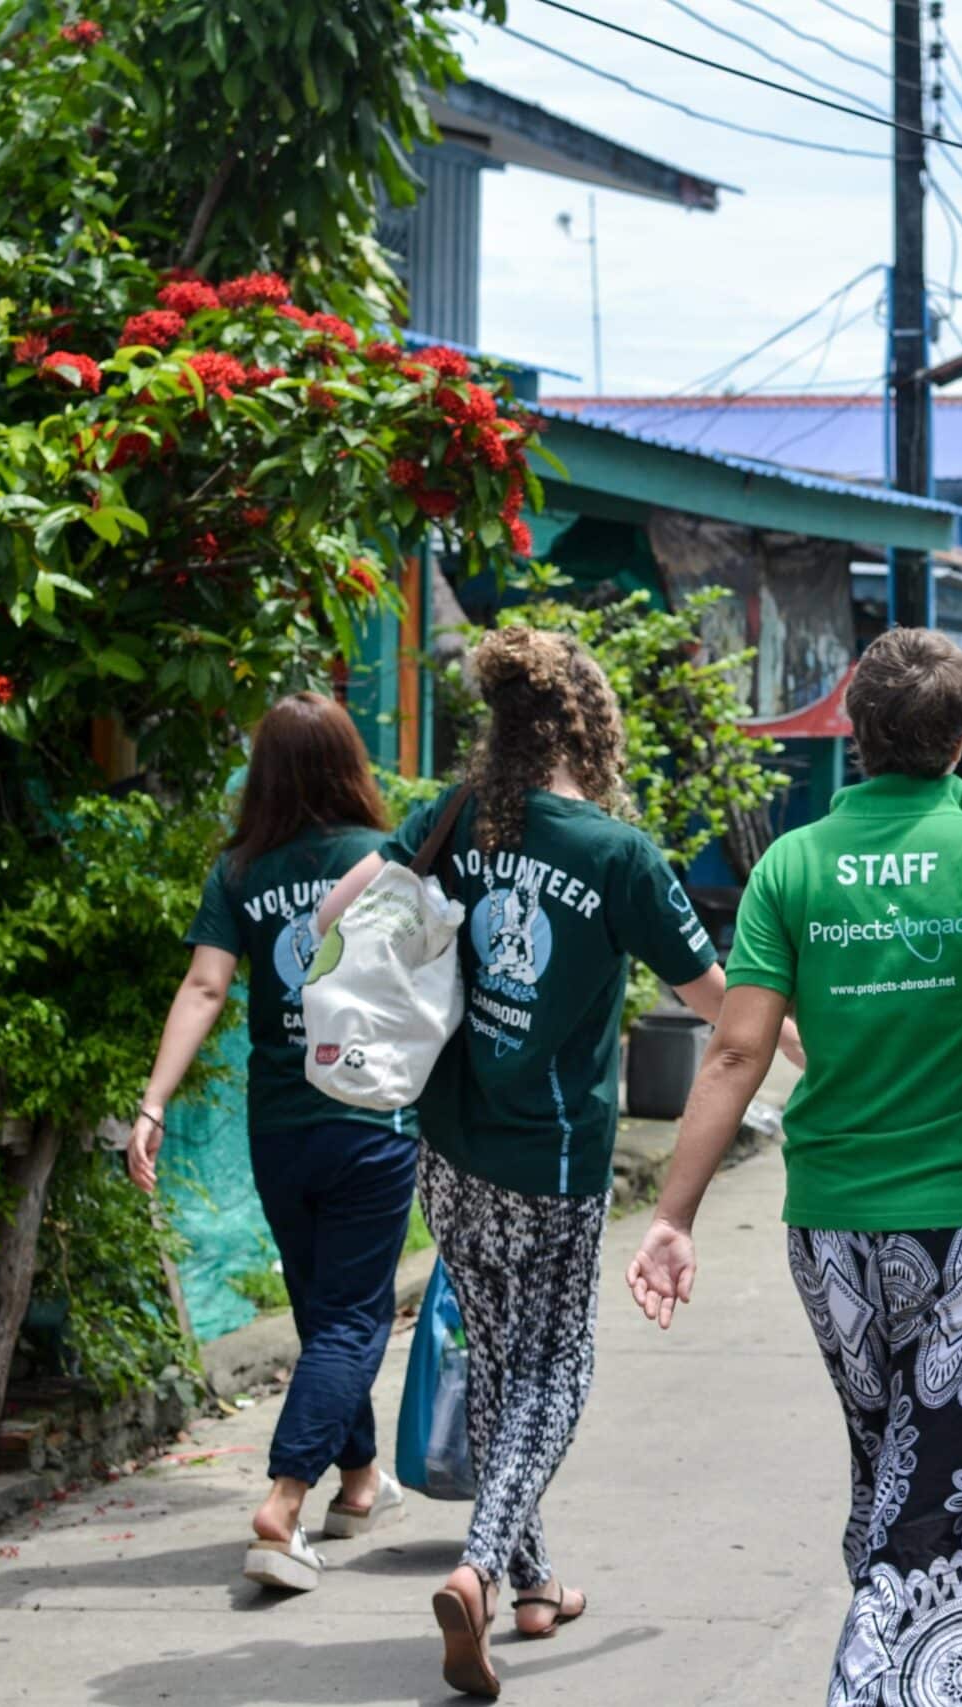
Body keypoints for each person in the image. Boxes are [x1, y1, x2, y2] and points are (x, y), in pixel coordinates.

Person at [624, 628, 962, 1707]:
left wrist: (673, 1216)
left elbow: (735, 1050)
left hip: (831, 1230)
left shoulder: (793, 864)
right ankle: (877, 1686)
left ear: (855, 732)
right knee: (949, 1506)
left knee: (896, 1475)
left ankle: (885, 1658)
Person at [316, 628, 795, 1700]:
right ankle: (482, 1566)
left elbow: (334, 913)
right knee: (555, 1367)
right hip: (552, 1156)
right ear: (591, 726)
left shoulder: (456, 816)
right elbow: (721, 1006)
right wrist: (816, 1057)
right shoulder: (617, 854)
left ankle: (533, 1585)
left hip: (448, 1144)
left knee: (499, 1361)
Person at [128, 692, 417, 1595]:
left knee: (326, 1310)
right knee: (355, 1318)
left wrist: (153, 1101)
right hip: (369, 1119)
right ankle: (285, 1503)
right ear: (347, 763)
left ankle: (360, 1481)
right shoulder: (386, 858)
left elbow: (205, 987)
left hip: (281, 1127)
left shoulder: (240, 869)